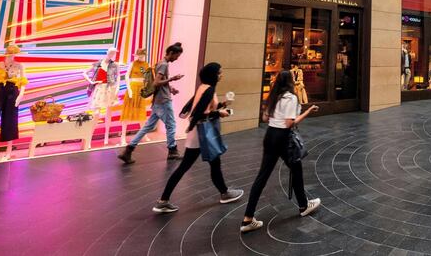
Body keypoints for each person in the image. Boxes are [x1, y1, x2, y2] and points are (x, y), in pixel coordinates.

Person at [152, 62, 243, 213]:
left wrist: (222, 105)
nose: (222, 75)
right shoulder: (209, 90)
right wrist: (219, 113)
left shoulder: (204, 87)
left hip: (199, 133)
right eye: (220, 72)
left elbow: (203, 107)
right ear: (213, 75)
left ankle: (164, 200)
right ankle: (224, 193)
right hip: (202, 134)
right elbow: (198, 114)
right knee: (194, 166)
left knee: (209, 164)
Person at [241, 70, 321, 233]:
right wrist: (307, 111)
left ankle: (248, 218)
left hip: (269, 135)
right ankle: (303, 205)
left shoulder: (272, 96)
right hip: (282, 138)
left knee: (262, 176)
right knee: (296, 168)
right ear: (290, 82)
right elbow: (289, 123)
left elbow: (265, 118)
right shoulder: (290, 98)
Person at [118, 42, 185, 163]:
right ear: (171, 53)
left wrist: (170, 88)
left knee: (147, 126)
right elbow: (156, 83)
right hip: (163, 100)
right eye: (177, 56)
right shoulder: (163, 65)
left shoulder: (159, 63)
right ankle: (172, 151)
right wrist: (172, 78)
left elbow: (160, 82)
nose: (177, 58)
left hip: (158, 99)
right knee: (171, 125)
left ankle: (128, 150)